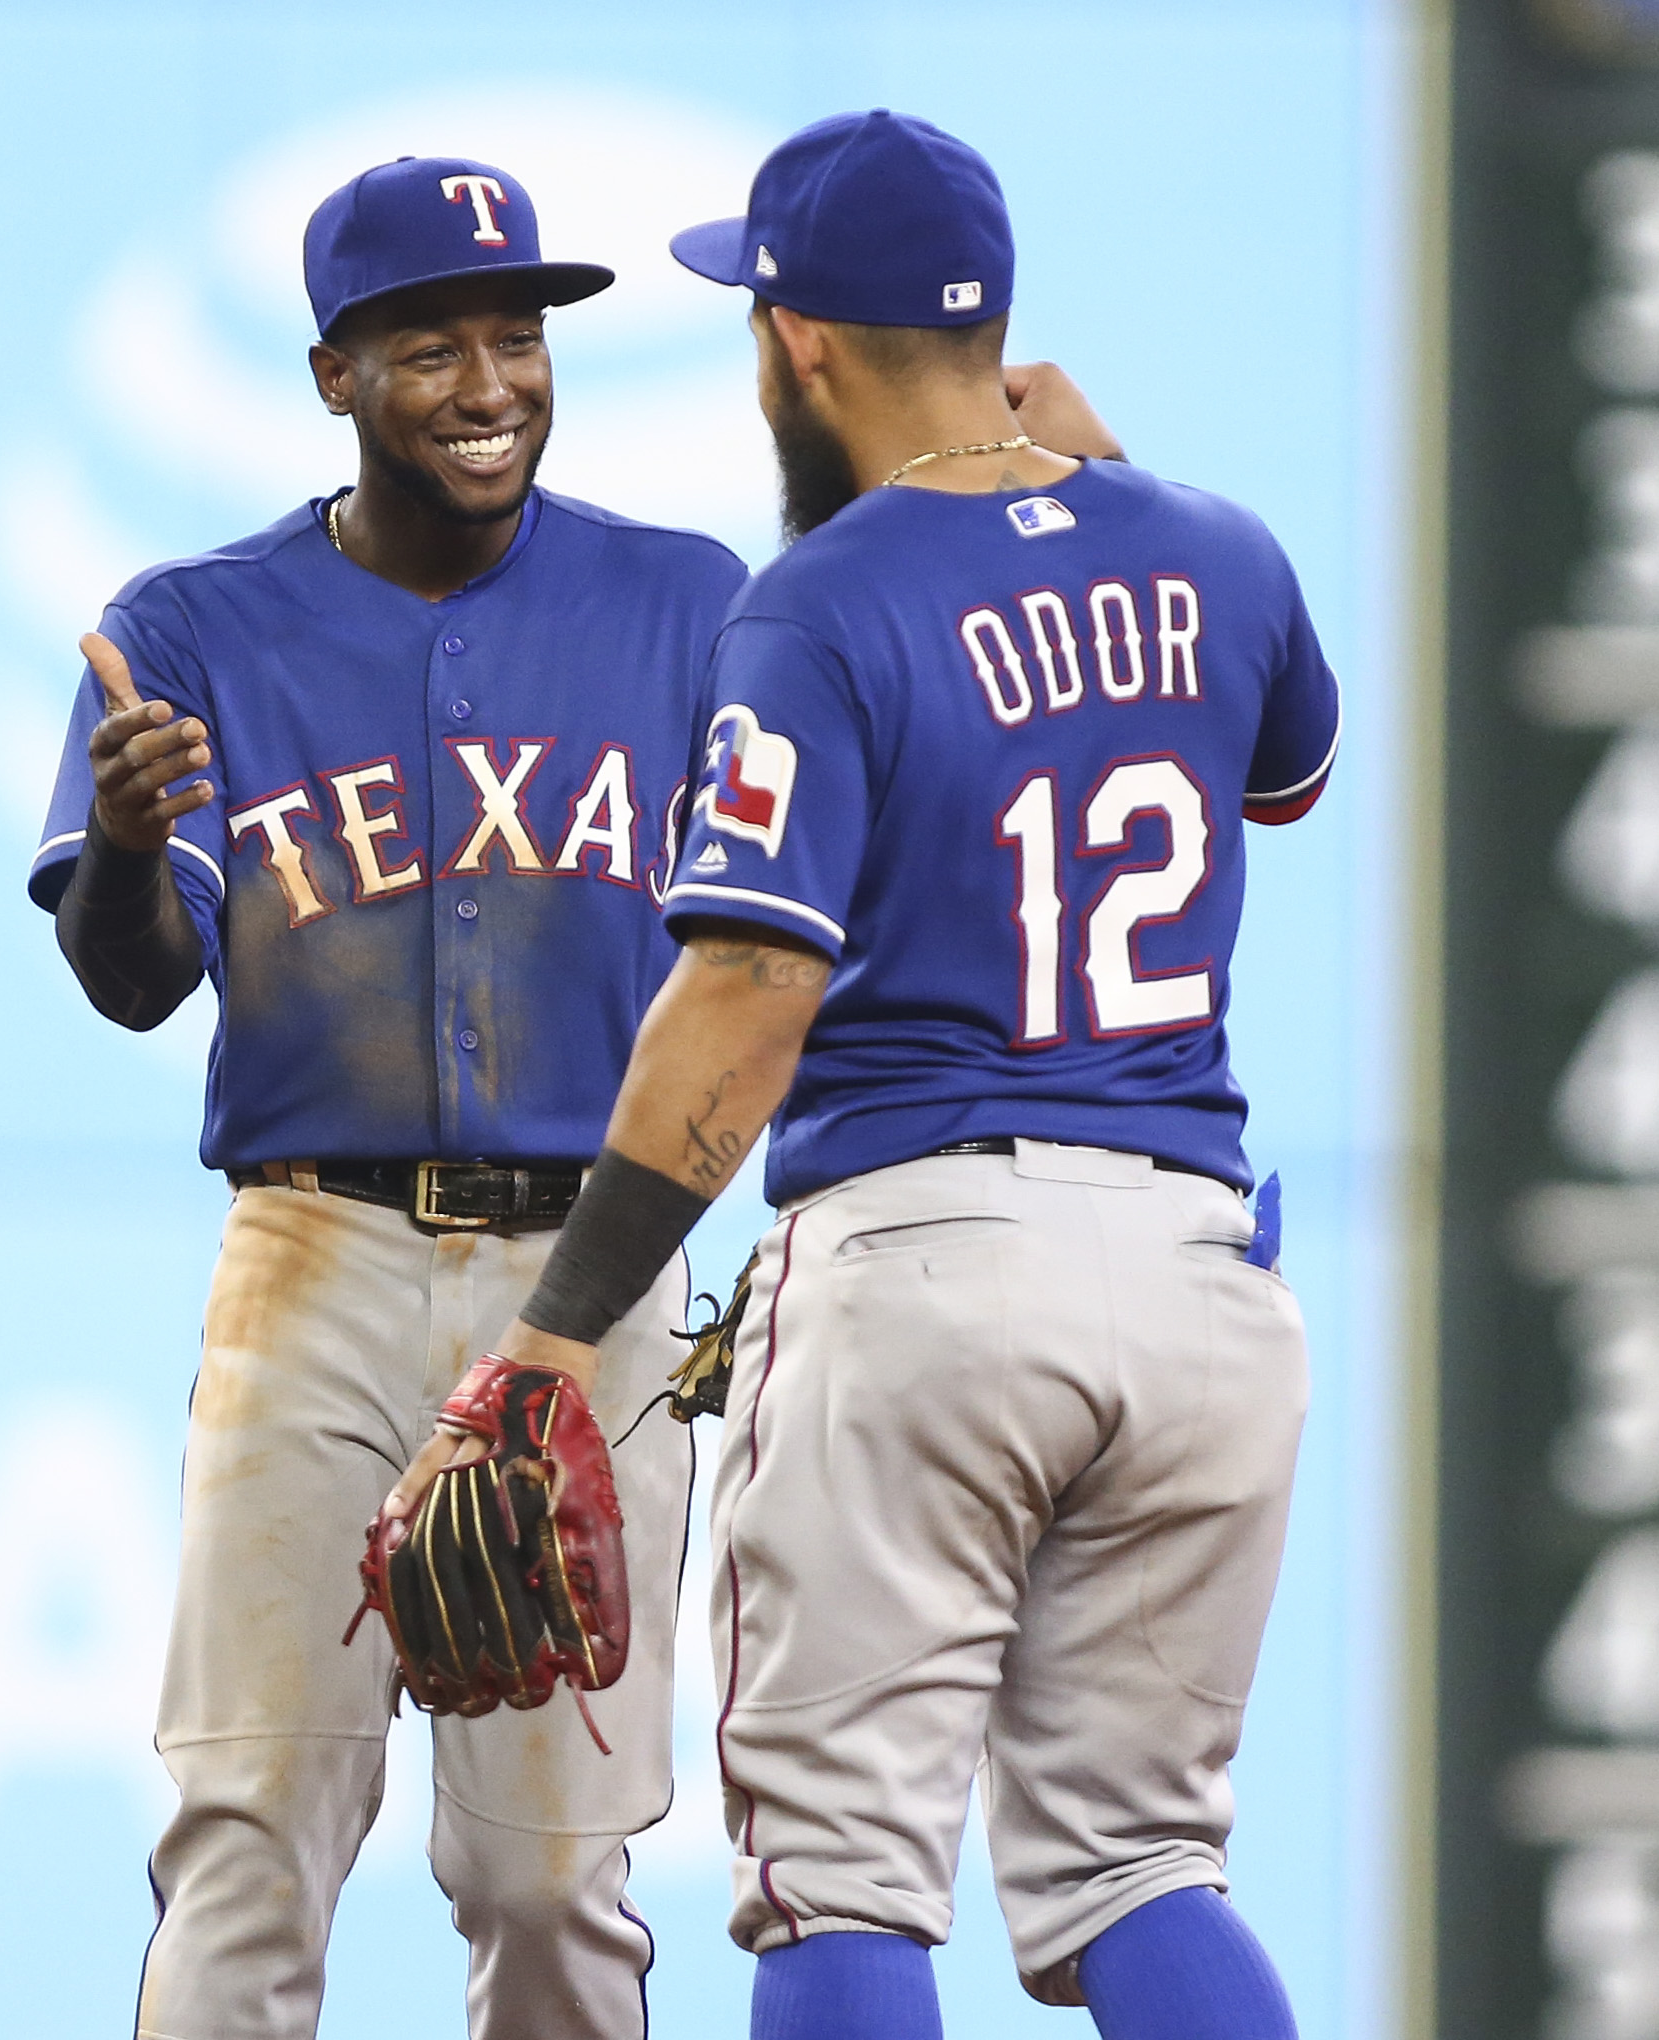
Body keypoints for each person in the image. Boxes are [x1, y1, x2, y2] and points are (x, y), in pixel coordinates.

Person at [386, 111, 1338, 2040]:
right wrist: (1105, 480)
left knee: (842, 1876)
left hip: (931, 1268)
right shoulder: (1221, 549)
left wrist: (554, 1346)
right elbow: (1279, 766)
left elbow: (742, 996)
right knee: (1148, 1869)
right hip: (1200, 1282)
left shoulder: (815, 605)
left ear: (796, 341)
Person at [27, 156, 740, 2040]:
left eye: (520, 334)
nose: (492, 380)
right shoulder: (190, 629)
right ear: (337, 373)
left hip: (591, 1275)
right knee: (250, 1836)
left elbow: (769, 964)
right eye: (434, 347)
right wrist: (118, 842)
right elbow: (129, 982)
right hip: (316, 1256)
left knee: (554, 1881)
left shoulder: (685, 605)